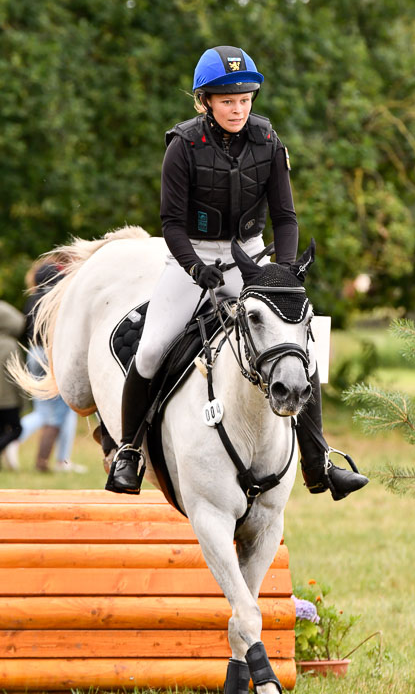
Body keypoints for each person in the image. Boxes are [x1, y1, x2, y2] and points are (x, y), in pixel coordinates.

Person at [107, 45, 368, 500]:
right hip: (191, 258)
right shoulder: (182, 146)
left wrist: (282, 271)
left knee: (298, 344)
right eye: (227, 100)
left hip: (249, 255)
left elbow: (285, 219)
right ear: (204, 101)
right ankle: (129, 452)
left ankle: (318, 460)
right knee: (149, 352)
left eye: (245, 99)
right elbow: (170, 224)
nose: (238, 108)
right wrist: (194, 267)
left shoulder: (269, 142)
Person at [4, 262, 85, 473]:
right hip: (52, 354)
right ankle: (27, 448)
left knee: (49, 412)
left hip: (34, 354)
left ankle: (58, 459)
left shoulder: (33, 298)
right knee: (57, 413)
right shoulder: (60, 299)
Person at [0, 301, 25, 461]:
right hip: (8, 401)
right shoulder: (10, 345)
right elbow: (18, 375)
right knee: (16, 429)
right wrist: (23, 400)